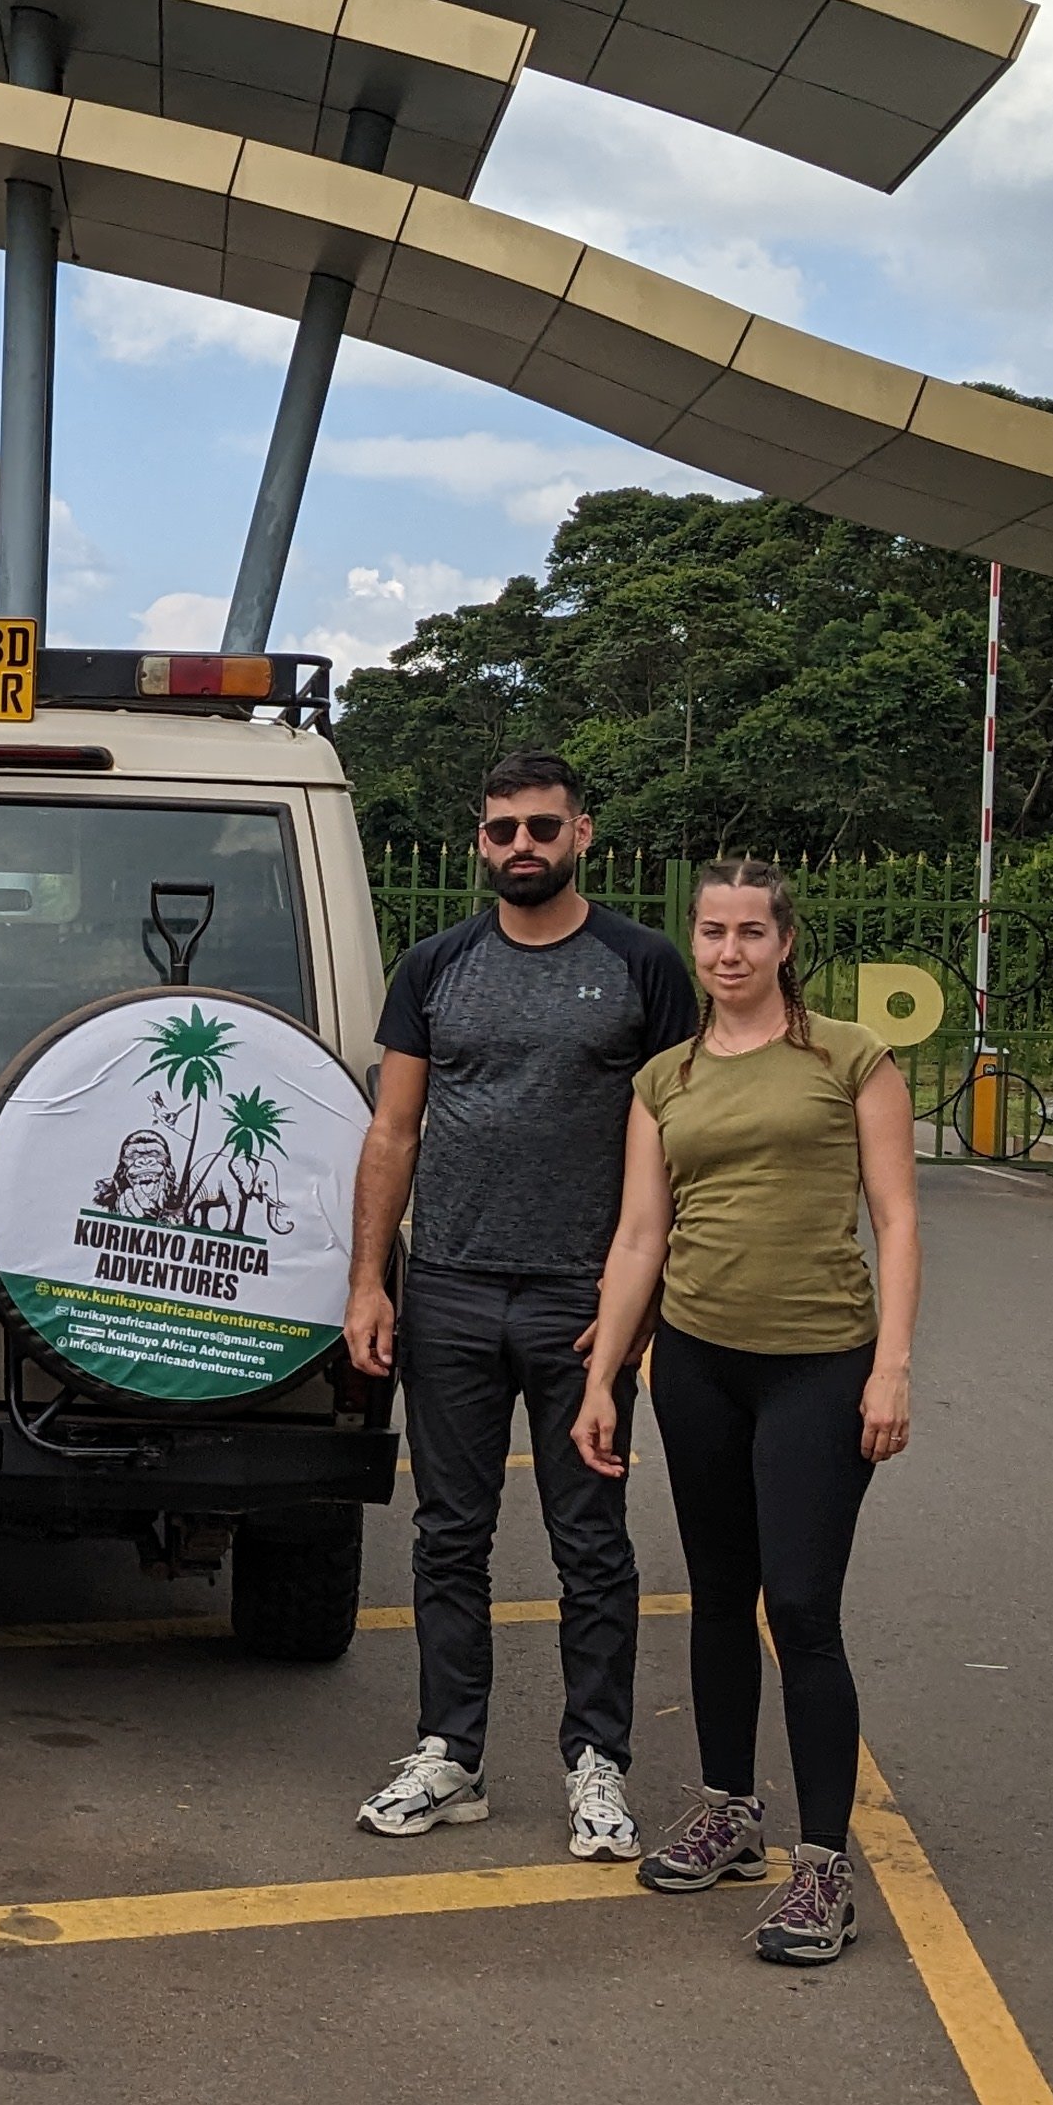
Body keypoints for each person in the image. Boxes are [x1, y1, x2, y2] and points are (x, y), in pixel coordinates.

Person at [345, 751, 697, 1857]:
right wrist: (371, 1278)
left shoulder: (643, 966)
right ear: (480, 842)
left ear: (583, 833)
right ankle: (449, 1753)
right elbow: (393, 1131)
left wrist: (637, 1309)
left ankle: (598, 1766)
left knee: (588, 1541)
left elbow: (677, 1146)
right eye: (501, 831)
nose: (521, 848)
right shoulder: (435, 966)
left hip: (579, 1302)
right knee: (449, 1535)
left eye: (542, 828)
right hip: (446, 1288)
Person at [574, 859, 919, 1966]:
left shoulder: (850, 1058)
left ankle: (824, 1869)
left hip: (819, 1363)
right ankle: (730, 1811)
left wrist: (893, 1368)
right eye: (713, 934)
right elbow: (639, 1236)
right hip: (698, 1365)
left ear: (785, 943)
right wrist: (604, 1376)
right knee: (718, 1595)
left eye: (750, 934)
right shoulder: (665, 1079)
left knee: (803, 1609)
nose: (729, 953)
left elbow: (897, 1221)